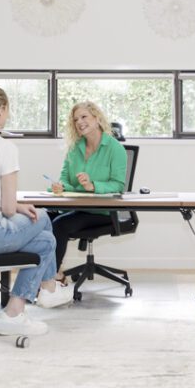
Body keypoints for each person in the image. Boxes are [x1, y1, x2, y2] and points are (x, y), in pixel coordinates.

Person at [0, 82, 72, 333]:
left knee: (44, 242)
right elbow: (8, 209)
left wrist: (18, 206)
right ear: (1, 110)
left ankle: (15, 311)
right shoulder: (4, 147)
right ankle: (49, 287)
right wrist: (18, 207)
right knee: (42, 216)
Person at [49, 101, 128, 284]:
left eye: (84, 117)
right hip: (75, 208)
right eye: (76, 119)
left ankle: (51, 280)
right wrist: (59, 186)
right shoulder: (74, 148)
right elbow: (64, 180)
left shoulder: (115, 148)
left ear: (97, 118)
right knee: (42, 219)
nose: (79, 122)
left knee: (60, 225)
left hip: (102, 212)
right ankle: (55, 273)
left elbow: (117, 185)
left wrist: (93, 185)